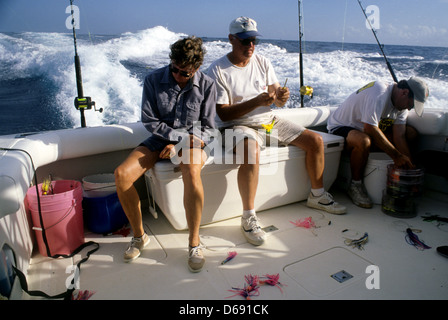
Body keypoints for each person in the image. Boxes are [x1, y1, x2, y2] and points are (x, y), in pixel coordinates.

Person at [208, 17, 346, 246]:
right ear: (231, 39)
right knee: (251, 152)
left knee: (314, 140)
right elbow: (224, 114)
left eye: (253, 40)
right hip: (235, 126)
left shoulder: (262, 62)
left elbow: (276, 99)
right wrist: (255, 102)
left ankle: (317, 195)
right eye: (244, 41)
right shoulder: (217, 70)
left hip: (267, 122)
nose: (250, 46)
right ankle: (249, 217)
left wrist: (281, 98)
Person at [114, 36, 216, 272]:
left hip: (194, 142)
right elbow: (149, 121)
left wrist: (181, 145)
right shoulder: (152, 80)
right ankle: (139, 236)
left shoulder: (208, 85)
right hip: (159, 139)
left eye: (185, 73)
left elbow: (209, 128)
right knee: (121, 175)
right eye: (175, 69)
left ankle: (194, 242)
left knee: (190, 169)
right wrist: (175, 139)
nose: (178, 75)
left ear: (197, 68)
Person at [327, 77, 429, 208]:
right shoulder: (379, 91)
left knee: (411, 133)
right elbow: (369, 128)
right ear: (404, 92)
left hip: (368, 132)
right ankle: (355, 185)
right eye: (412, 104)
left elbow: (400, 136)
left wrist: (410, 169)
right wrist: (397, 156)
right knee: (364, 140)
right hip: (341, 128)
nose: (410, 109)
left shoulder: (402, 106)